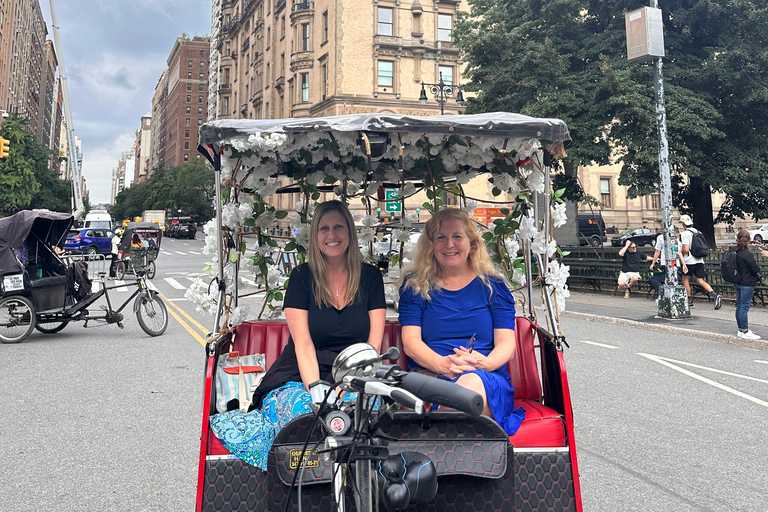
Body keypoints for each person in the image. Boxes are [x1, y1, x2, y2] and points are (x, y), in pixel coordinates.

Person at [209, 200, 387, 469]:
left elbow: (372, 346)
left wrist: (346, 384)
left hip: (354, 373)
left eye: (339, 227)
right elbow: (303, 344)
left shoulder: (371, 278)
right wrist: (317, 390)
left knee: (364, 417)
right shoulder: (302, 277)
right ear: (315, 236)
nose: (331, 235)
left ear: (349, 232)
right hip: (300, 374)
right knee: (304, 415)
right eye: (324, 228)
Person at [398, 208, 525, 436]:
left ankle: (438, 449)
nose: (449, 244)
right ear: (431, 245)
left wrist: (483, 364)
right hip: (432, 375)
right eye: (441, 238)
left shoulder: (492, 286)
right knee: (449, 393)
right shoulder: (415, 286)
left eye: (457, 236)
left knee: (469, 386)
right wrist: (443, 366)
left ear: (471, 243)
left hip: (485, 377)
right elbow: (410, 342)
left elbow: (507, 343)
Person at [730, 230, 768, 340]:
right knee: (744, 307)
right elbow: (755, 268)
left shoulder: (734, 250)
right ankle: (745, 331)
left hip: (737, 281)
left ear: (737, 239)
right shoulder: (746, 254)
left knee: (739, 305)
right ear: (749, 240)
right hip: (747, 282)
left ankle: (741, 329)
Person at [679, 214, 721, 309]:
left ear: (683, 224)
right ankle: (714, 295)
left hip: (689, 261)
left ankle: (689, 300)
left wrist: (680, 253)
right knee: (700, 280)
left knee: (685, 279)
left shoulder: (685, 234)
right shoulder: (698, 232)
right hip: (699, 260)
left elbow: (685, 249)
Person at [648, 228, 686, 298]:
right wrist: (683, 264)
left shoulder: (661, 238)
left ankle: (666, 295)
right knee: (669, 278)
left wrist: (653, 263)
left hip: (666, 263)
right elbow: (679, 253)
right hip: (675, 264)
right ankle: (669, 295)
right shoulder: (677, 242)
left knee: (667, 279)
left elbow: (657, 251)